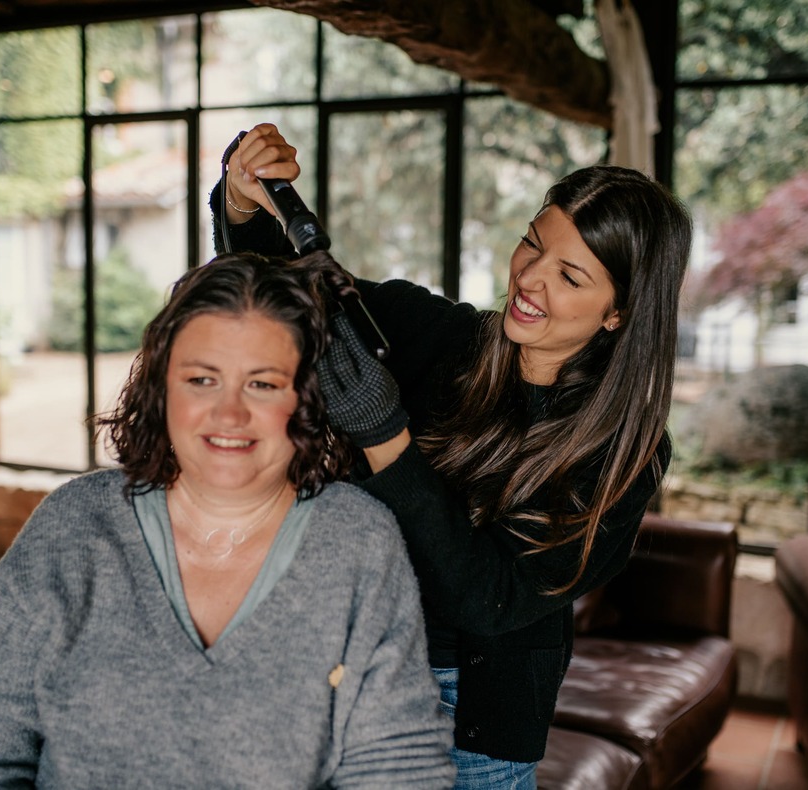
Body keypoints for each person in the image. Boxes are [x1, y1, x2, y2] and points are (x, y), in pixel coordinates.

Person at [212, 124, 692, 788]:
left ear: (618, 313)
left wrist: (386, 438)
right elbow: (290, 296)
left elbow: (491, 601)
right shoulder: (437, 337)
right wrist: (244, 204)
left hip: (475, 728)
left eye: (570, 274)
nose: (529, 278)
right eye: (532, 241)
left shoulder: (619, 450)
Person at [0, 252, 455, 789]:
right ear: (162, 390)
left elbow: (399, 769)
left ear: (306, 400)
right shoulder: (73, 528)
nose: (229, 415)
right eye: (202, 380)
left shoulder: (358, 541)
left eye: (263, 384)